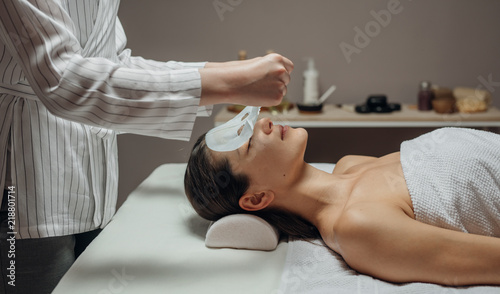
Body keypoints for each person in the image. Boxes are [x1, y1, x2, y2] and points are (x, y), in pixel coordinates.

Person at [0, 1, 293, 293]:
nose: (262, 126)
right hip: (27, 185)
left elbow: (113, 65)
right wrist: (234, 82)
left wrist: (233, 73)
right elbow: (62, 79)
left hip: (94, 179)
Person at [184, 118, 500, 286]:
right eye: (249, 143)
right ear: (256, 199)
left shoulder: (350, 164)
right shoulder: (357, 227)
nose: (264, 122)